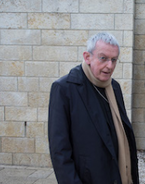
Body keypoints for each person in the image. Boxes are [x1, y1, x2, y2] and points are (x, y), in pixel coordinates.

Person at [48, 32, 139, 184]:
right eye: (103, 58)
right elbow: (60, 152)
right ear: (87, 57)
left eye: (114, 60)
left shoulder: (114, 87)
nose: (109, 66)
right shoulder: (65, 89)